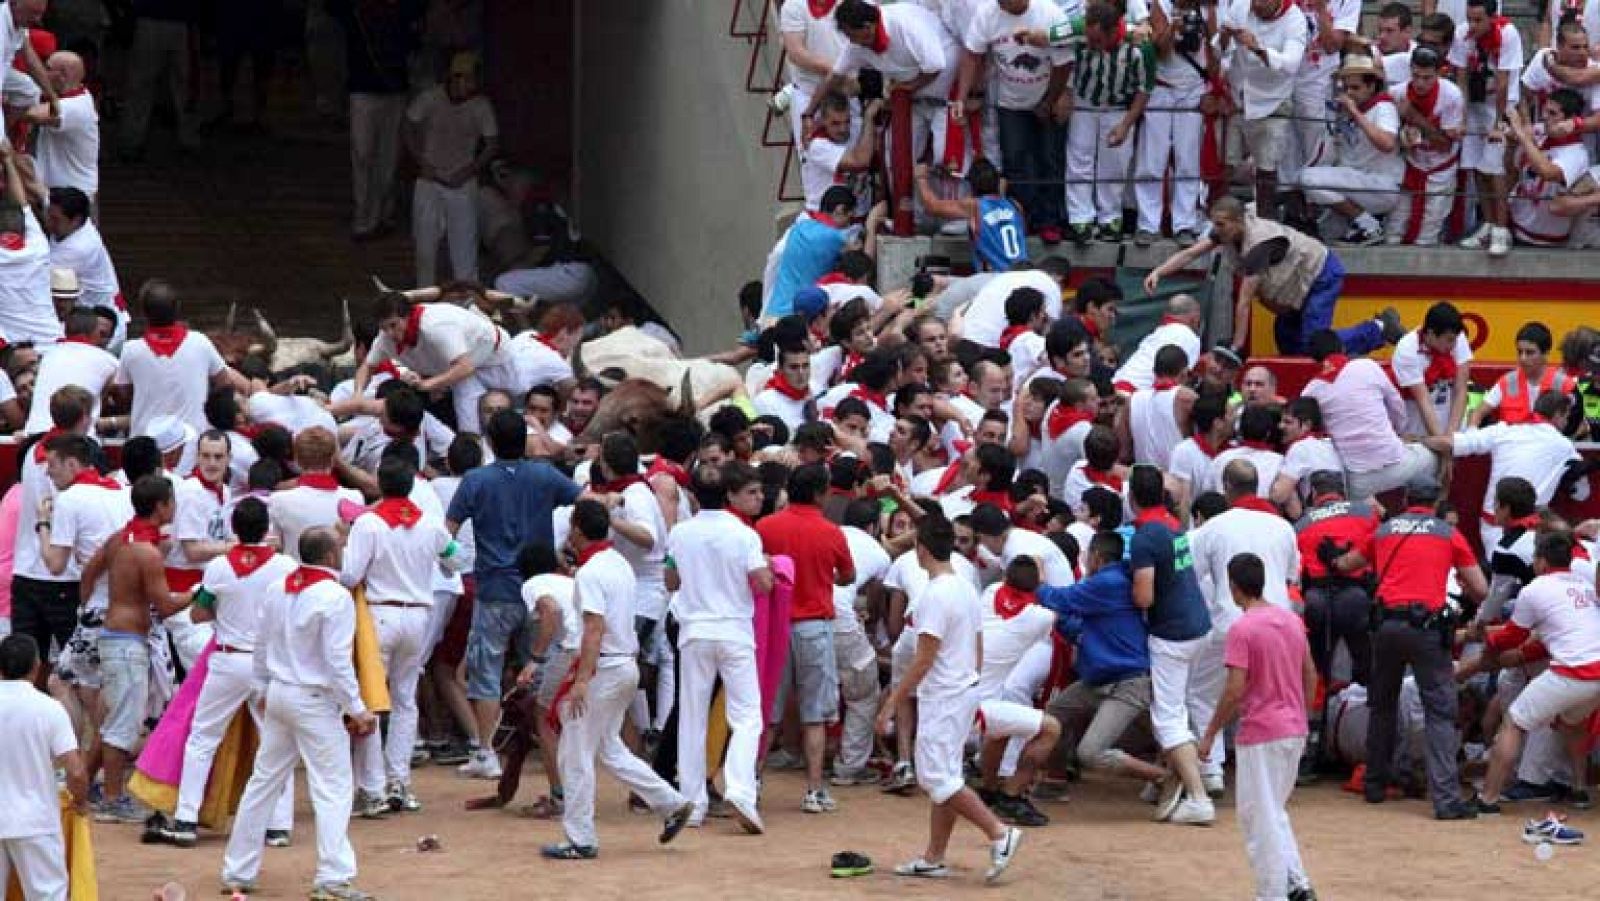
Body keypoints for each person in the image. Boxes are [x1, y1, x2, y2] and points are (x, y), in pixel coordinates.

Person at [220, 528, 377, 901]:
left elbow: (261, 644)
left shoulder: (279, 588)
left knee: (263, 782)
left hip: (279, 693)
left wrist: (260, 688)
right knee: (333, 787)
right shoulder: (334, 596)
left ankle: (237, 871)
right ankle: (333, 878)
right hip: (313, 699)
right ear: (330, 555)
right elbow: (338, 661)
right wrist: (357, 708)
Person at [542, 500, 694, 860]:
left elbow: (594, 629)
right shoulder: (617, 564)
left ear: (578, 530)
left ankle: (580, 836)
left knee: (574, 752)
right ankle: (670, 803)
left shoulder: (593, 571)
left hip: (605, 668)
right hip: (624, 663)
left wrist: (580, 681)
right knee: (608, 748)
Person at [875, 515, 1023, 883]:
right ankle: (934, 856)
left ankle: (999, 833)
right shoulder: (963, 588)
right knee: (946, 775)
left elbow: (924, 659)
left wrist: (893, 702)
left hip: (945, 695)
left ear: (921, 549)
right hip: (961, 690)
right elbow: (977, 647)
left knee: (936, 777)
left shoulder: (934, 596)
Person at [155, 498, 298, 848]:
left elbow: (198, 615)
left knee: (203, 738)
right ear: (267, 530)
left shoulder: (219, 567)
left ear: (234, 529)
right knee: (276, 741)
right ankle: (278, 825)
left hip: (228, 660)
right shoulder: (284, 566)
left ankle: (187, 818)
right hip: (270, 664)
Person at [446, 410, 582, 779]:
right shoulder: (544, 475)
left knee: (485, 671)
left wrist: (452, 562)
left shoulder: (476, 480)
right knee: (540, 668)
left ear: (489, 442)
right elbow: (582, 500)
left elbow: (449, 530)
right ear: (523, 441)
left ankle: (487, 752)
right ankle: (556, 747)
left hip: (494, 588)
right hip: (539, 588)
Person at [341, 456, 463, 816]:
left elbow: (349, 575)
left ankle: (373, 788)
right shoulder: (429, 524)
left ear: (380, 483)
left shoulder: (369, 523)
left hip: (380, 614)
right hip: (418, 616)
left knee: (373, 700)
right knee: (405, 699)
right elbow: (455, 559)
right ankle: (399, 782)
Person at [1198, 553, 1319, 901]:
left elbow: (1235, 689)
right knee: (1273, 811)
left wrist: (1210, 734)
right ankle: (1296, 883)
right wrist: (1303, 715)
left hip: (1262, 730)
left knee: (1258, 817)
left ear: (1234, 588)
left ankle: (1273, 894)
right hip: (1292, 727)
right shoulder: (1290, 620)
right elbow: (1309, 672)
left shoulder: (1243, 628)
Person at [1364, 482, 1487, 819]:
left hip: (1386, 626)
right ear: (1434, 504)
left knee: (1382, 706)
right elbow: (1480, 588)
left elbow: (1350, 562)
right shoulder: (1448, 533)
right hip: (1429, 630)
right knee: (1440, 713)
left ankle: (1374, 785)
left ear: (1406, 501)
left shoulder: (1385, 529)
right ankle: (1446, 800)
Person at [1145, 196, 1400, 357]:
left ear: (1238, 222)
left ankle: (1378, 328)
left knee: (1315, 344)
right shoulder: (1229, 233)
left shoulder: (1258, 245)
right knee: (1288, 339)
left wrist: (1236, 347)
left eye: (1221, 224)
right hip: (1298, 284)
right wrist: (1158, 271)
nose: (1216, 230)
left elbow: (1244, 302)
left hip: (1321, 274)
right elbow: (1190, 253)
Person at [666, 462, 771, 832]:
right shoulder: (744, 535)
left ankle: (692, 802)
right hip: (735, 630)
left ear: (693, 495)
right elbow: (761, 583)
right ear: (728, 494)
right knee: (746, 716)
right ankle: (740, 788)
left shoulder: (680, 532)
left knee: (693, 717)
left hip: (695, 630)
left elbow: (671, 578)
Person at [1466, 531, 1600, 817]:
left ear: (1540, 561)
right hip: (1595, 672)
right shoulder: (1586, 585)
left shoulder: (1536, 588)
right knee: (1573, 724)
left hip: (1573, 670)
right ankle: (1579, 789)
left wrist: (1487, 643)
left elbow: (1513, 635)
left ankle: (1488, 799)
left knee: (1514, 722)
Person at [756, 463, 855, 813]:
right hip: (814, 626)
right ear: (819, 493)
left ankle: (751, 783)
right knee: (815, 713)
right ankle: (814, 791)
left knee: (767, 712)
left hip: (775, 625)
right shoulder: (831, 532)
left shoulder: (766, 526)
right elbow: (847, 576)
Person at [85, 474, 183, 823]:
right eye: (171, 501)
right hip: (127, 644)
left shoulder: (120, 540)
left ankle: (84, 788)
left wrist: (87, 614)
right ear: (160, 507)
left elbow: (89, 573)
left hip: (115, 636)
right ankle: (112, 798)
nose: (174, 507)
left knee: (116, 719)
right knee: (123, 724)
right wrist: (203, 593)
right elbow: (167, 606)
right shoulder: (146, 552)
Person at [1037, 531, 1169, 786]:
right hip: (1101, 678)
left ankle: (1166, 778)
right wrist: (1058, 617)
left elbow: (1061, 599)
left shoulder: (1107, 582)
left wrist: (1038, 584)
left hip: (1128, 682)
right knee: (1055, 713)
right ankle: (1056, 778)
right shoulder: (1112, 581)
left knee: (1091, 752)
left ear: (1096, 556)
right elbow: (1078, 628)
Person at [1127, 465, 1215, 825]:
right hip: (1197, 626)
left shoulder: (1146, 536)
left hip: (1172, 635)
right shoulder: (1172, 522)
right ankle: (1171, 778)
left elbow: (1144, 598)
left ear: (1132, 498)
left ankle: (1198, 797)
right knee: (1176, 708)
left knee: (1168, 717)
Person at [1027, 2, 1155, 243]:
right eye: (1088, 38)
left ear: (1110, 32)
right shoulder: (1078, 28)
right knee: (1078, 160)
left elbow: (1144, 89)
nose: (1092, 45)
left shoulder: (1141, 47)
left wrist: (1127, 124)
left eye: (1097, 40)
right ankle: (1080, 219)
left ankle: (1110, 219)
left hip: (1119, 106)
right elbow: (1045, 37)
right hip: (1084, 103)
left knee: (1114, 164)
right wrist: (1027, 35)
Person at [958, 0, 1072, 244]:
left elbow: (1064, 65)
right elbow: (972, 56)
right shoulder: (987, 13)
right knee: (1014, 161)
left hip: (1047, 93)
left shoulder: (1050, 14)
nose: (1000, 4)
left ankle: (1050, 221)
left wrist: (1050, 100)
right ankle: (1023, 218)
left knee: (1050, 159)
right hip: (1010, 101)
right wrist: (961, 96)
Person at [1424, 390, 1582, 551]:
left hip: (1493, 525)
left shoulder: (1503, 431)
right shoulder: (1564, 446)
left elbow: (1451, 443)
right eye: (1566, 417)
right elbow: (1582, 491)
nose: (1567, 423)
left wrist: (1418, 441)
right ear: (1557, 415)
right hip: (1529, 530)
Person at [10, 387, 92, 688]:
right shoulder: (80, 457)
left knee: (24, 667)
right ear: (84, 418)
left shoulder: (32, 450)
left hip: (25, 571)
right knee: (77, 673)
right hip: (63, 574)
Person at [0, 634, 88, 901]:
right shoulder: (49, 709)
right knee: (47, 895)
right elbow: (75, 771)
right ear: (37, 666)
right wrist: (80, 802)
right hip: (35, 820)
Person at [1302, 330, 1438, 501]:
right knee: (1437, 458)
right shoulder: (1367, 366)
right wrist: (1398, 433)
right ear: (1343, 348)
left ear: (1313, 358)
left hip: (1357, 481)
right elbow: (1397, 406)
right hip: (1397, 463)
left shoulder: (1310, 391)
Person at [358, 292, 519, 434]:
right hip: (459, 373)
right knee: (468, 428)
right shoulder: (385, 338)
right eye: (384, 327)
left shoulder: (435, 326)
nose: (389, 333)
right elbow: (367, 366)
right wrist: (358, 394)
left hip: (496, 358)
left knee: (518, 402)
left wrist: (429, 384)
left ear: (408, 315)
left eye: (393, 325)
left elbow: (465, 366)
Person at [330, 0, 423, 240]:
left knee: (388, 157)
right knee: (363, 153)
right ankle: (365, 218)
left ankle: (383, 213)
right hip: (363, 88)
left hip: (394, 87)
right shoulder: (355, 9)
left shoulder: (403, 9)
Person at [405, 50, 499, 286]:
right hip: (430, 181)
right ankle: (424, 300)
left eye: (472, 80)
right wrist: (421, 161)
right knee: (425, 250)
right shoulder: (430, 98)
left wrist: (470, 169)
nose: (468, 85)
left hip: (462, 184)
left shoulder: (481, 106)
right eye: (464, 79)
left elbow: (491, 144)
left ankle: (466, 305)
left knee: (465, 254)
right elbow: (407, 127)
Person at [115, 280, 247, 436]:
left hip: (146, 443)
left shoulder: (131, 349)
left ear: (143, 313)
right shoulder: (200, 342)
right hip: (191, 441)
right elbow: (224, 382)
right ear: (178, 308)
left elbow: (123, 393)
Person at [1298, 53, 1403, 245]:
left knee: (1308, 177)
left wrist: (1355, 113)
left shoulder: (1383, 107)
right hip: (1355, 183)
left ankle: (1369, 224)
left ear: (1371, 86)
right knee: (1327, 234)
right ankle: (1364, 222)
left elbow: (1387, 144)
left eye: (1356, 88)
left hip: (1381, 185)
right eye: (1346, 88)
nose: (1350, 93)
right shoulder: (1346, 111)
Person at [1136, 0, 1215, 245]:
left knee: (1188, 160)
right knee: (1152, 159)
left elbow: (1214, 50)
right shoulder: (1161, 5)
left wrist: (1210, 87)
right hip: (1161, 88)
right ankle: (1148, 224)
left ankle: (1185, 224)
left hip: (1192, 89)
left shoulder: (1207, 8)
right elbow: (1160, 49)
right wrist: (1174, 26)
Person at [1294, 471, 1381, 690]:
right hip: (1357, 596)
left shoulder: (1301, 524)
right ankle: (1361, 706)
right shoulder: (1366, 513)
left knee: (1317, 667)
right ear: (1342, 492)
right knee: (1364, 663)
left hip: (1317, 599)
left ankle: (1317, 715)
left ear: (1314, 493)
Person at [1223, 0, 1308, 214]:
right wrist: (1224, 37)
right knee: (1226, 163)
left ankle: (1265, 222)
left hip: (1273, 101)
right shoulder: (1241, 6)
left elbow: (1291, 63)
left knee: (1267, 167)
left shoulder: (1295, 19)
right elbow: (1220, 49)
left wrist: (1258, 48)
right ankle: (1219, 219)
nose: (1255, 6)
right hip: (1237, 97)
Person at [1453, 0, 1523, 258]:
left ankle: (1502, 230)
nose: (1473, 25)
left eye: (1479, 20)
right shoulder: (1463, 34)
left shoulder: (1508, 33)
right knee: (1476, 167)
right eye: (1470, 18)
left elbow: (1504, 82)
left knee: (1495, 168)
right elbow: (1460, 78)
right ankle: (1489, 224)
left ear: (1493, 17)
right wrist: (1461, 118)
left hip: (1500, 104)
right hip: (1474, 102)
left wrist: (1499, 124)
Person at [1389, 45, 1465, 246]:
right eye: (1416, 75)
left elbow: (1444, 146)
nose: (1420, 83)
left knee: (1428, 233)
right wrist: (1402, 136)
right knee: (1394, 229)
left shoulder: (1451, 96)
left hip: (1440, 169)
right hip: (1409, 164)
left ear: (1439, 73)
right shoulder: (1397, 93)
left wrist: (1414, 117)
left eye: (1427, 78)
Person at [913, 159, 1028, 271]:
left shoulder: (974, 206)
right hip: (1024, 272)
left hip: (995, 279)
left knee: (940, 283)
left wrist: (921, 178)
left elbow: (933, 207)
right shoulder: (1015, 205)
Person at [0, 144, 61, 345]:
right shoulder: (39, 247)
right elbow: (23, 203)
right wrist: (8, 160)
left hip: (13, 347)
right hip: (49, 337)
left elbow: (22, 205)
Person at [23, 309, 117, 437]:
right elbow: (121, 395)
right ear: (95, 331)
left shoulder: (49, 355)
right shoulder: (109, 361)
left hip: (33, 435)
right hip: (77, 442)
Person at [1469, 321, 1577, 426]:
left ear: (1546, 353)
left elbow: (1580, 426)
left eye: (1530, 352)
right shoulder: (1507, 382)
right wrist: (1472, 433)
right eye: (1520, 352)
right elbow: (1477, 414)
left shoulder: (1564, 384)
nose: (1523, 358)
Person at [1390, 301, 1473, 438]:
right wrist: (1442, 443)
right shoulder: (1407, 349)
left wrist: (1451, 438)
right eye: (1449, 340)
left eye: (1455, 340)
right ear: (1431, 333)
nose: (1454, 345)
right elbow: (1423, 400)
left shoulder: (1457, 337)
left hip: (1452, 420)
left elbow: (1461, 389)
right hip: (1417, 424)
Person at [28, 51, 98, 202]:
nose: (42, 72)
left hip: (75, 199)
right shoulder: (70, 96)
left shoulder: (77, 105)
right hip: (56, 195)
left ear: (63, 75)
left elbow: (32, 114)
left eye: (47, 68)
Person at [801, 92, 880, 214]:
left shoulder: (858, 126)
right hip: (825, 219)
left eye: (847, 121)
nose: (843, 129)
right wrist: (869, 118)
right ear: (822, 121)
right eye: (835, 123)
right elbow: (861, 162)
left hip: (857, 216)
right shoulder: (817, 145)